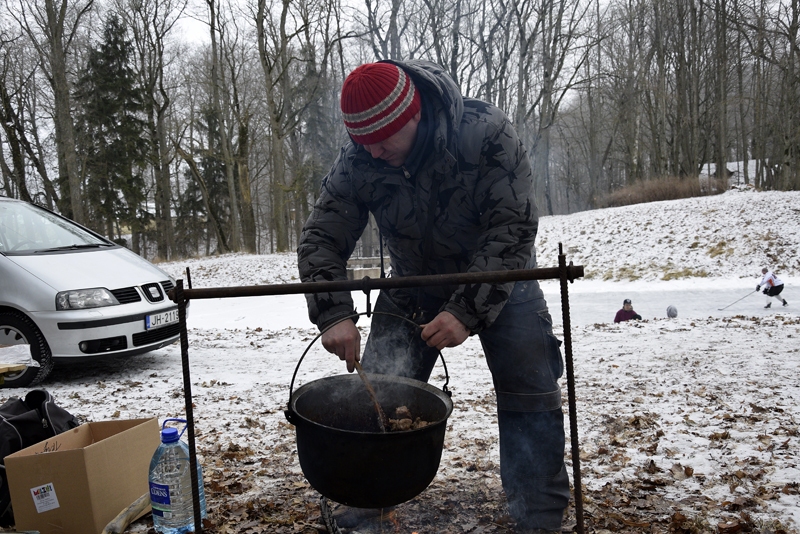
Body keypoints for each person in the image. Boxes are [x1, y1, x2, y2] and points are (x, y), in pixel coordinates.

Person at [297, 60, 568, 533]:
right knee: (377, 394)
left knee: (531, 390)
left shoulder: (485, 132)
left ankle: (539, 517)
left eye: (384, 140)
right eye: (365, 144)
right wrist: (333, 312)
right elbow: (322, 235)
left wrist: (465, 309)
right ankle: (368, 501)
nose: (375, 153)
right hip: (411, 284)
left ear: (415, 114)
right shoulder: (361, 156)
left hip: (502, 278)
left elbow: (512, 227)